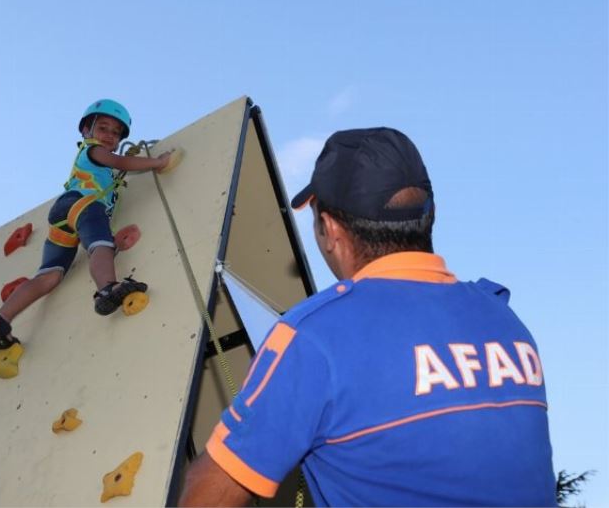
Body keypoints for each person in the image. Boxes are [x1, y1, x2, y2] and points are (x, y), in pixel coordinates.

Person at [179, 127, 556, 506]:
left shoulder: (315, 338)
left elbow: (210, 493)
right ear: (431, 213)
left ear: (330, 230)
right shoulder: (504, 318)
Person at [0, 99, 173, 350]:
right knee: (101, 245)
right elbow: (122, 163)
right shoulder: (93, 150)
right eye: (103, 128)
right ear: (86, 131)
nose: (109, 136)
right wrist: (158, 162)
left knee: (49, 275)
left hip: (62, 216)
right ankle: (107, 288)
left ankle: (0, 318)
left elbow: (116, 169)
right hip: (82, 203)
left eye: (116, 133)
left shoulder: (93, 160)